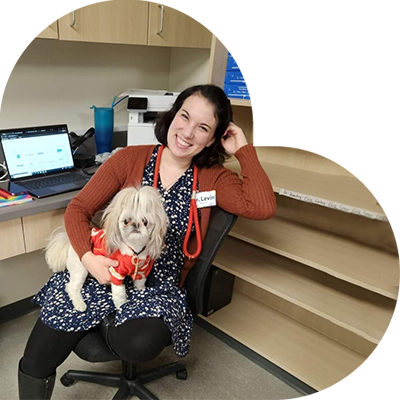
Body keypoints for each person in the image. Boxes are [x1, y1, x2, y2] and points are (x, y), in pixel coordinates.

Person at [18, 84, 276, 400]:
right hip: (108, 266)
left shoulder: (213, 177)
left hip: (158, 285)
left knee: (137, 343)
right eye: (185, 117)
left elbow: (261, 206)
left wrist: (244, 149)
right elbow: (78, 209)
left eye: (203, 127)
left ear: (213, 138)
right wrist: (87, 258)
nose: (188, 132)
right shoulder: (129, 159)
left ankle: (101, 319)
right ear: (173, 115)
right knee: (40, 350)